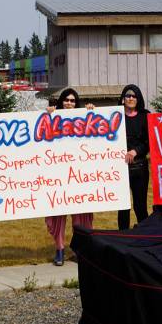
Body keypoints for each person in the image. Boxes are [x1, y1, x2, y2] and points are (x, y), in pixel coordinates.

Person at [45, 88, 95, 266]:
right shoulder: (52, 117)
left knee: (80, 215)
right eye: (66, 100)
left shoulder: (83, 118)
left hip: (79, 175)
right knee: (58, 215)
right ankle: (59, 249)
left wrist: (91, 112)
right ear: (61, 101)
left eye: (73, 100)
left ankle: (79, 249)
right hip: (58, 176)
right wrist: (48, 113)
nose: (69, 103)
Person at [118, 83, 149, 230]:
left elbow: (150, 141)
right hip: (120, 169)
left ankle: (146, 236)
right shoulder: (114, 115)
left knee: (140, 206)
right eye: (128, 95)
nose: (131, 98)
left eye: (134, 96)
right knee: (123, 208)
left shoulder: (145, 116)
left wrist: (135, 151)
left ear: (138, 99)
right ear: (123, 99)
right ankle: (123, 237)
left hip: (140, 168)